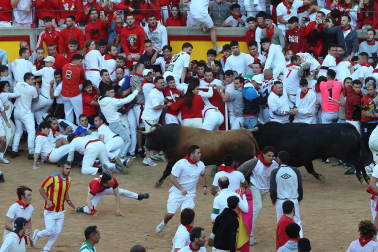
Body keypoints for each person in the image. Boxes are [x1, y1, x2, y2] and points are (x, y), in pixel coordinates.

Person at [156, 145, 207, 233]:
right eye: (198, 153)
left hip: (190, 194)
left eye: (200, 153)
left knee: (185, 217)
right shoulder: (181, 163)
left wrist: (204, 187)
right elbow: (173, 178)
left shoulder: (201, 165)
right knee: (170, 214)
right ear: (192, 154)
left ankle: (177, 235)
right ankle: (164, 222)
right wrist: (181, 189)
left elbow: (202, 175)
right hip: (177, 192)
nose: (200, 154)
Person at [31, 161, 76, 252]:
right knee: (50, 231)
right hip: (50, 210)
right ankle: (37, 234)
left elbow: (66, 192)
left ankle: (46, 248)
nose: (69, 170)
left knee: (57, 232)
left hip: (61, 210)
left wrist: (68, 201)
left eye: (70, 169)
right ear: (61, 168)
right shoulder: (52, 178)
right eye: (67, 168)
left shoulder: (69, 180)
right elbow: (41, 189)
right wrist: (48, 200)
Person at [238, 146, 278, 245]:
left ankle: (244, 228)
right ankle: (249, 232)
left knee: (252, 209)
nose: (271, 158)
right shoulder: (254, 162)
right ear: (263, 155)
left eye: (273, 156)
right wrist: (243, 185)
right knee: (258, 207)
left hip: (265, 190)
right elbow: (240, 171)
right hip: (254, 187)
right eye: (269, 155)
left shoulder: (275, 164)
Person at [75, 174, 149, 216]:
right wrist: (93, 210)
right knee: (89, 211)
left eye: (113, 182)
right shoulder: (96, 186)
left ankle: (138, 197)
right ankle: (83, 208)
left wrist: (118, 209)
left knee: (121, 191)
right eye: (111, 183)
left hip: (105, 188)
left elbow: (117, 194)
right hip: (96, 192)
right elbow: (88, 200)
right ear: (105, 183)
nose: (114, 184)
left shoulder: (112, 180)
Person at [99, 84, 141, 159]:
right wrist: (136, 91)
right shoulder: (111, 101)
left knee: (122, 141)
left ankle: (116, 157)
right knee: (127, 140)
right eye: (111, 92)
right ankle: (121, 157)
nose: (113, 94)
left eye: (113, 92)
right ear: (107, 93)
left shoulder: (100, 100)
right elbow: (127, 100)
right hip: (116, 124)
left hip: (111, 124)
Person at [270, 151, 303, 237]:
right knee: (297, 221)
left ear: (279, 160)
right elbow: (300, 187)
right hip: (294, 199)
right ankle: (299, 241)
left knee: (281, 222)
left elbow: (273, 189)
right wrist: (299, 199)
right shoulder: (295, 171)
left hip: (280, 201)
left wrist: (273, 199)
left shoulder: (275, 172)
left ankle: (283, 242)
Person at [11, 73, 38, 160]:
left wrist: (14, 85)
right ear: (27, 80)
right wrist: (36, 89)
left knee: (18, 131)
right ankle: (31, 152)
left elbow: (14, 86)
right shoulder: (32, 89)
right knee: (31, 132)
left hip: (17, 111)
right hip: (26, 113)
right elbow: (36, 99)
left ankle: (14, 150)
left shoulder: (18, 84)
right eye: (32, 79)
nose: (34, 81)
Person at [31, 56, 55, 125]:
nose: (45, 63)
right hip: (51, 100)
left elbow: (34, 73)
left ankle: (30, 128)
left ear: (52, 63)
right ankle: (41, 127)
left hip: (43, 98)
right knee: (38, 112)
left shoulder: (45, 69)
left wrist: (33, 67)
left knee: (31, 111)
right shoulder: (55, 71)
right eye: (45, 62)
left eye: (47, 62)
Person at [61, 54, 85, 123]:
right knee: (79, 113)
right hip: (74, 94)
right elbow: (84, 77)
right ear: (75, 61)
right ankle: (80, 129)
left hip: (64, 94)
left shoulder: (65, 66)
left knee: (68, 113)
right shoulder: (79, 69)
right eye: (80, 61)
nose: (81, 63)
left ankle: (69, 128)